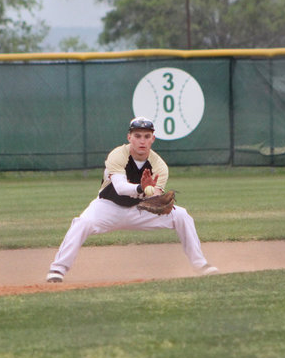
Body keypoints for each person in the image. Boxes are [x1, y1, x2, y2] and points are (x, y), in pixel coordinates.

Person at [46, 116, 218, 282]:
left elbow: (155, 196)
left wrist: (155, 195)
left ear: (153, 139)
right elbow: (120, 189)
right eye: (137, 136)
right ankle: (58, 270)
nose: (142, 141)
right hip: (108, 207)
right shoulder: (118, 155)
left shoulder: (159, 165)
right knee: (81, 223)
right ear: (129, 137)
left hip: (139, 210)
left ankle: (200, 264)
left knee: (181, 215)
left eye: (146, 136)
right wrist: (142, 188)